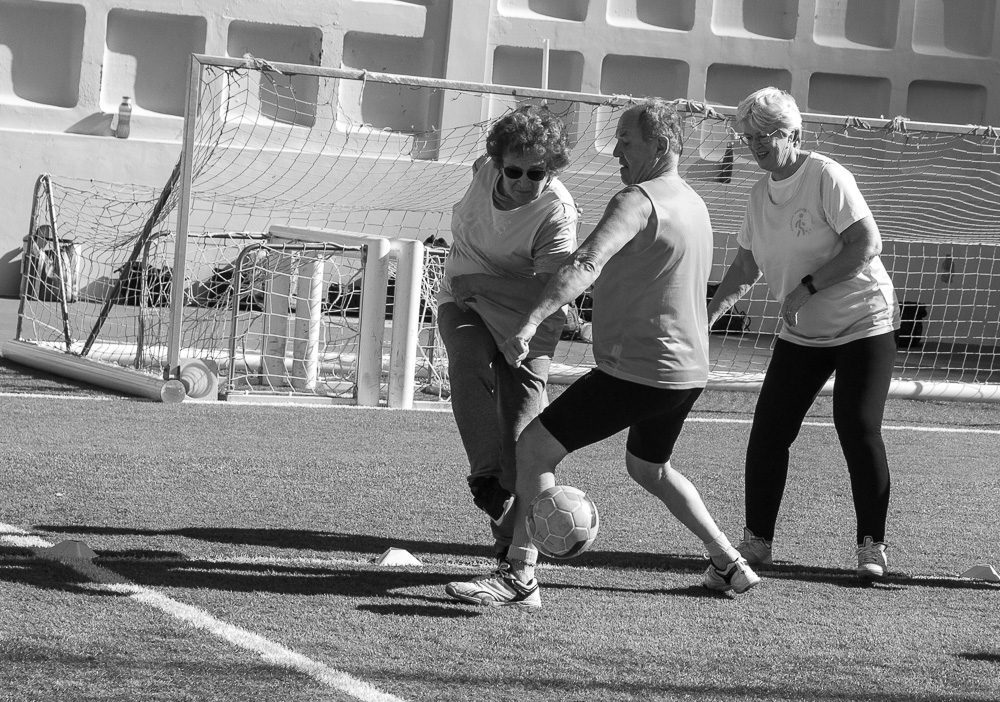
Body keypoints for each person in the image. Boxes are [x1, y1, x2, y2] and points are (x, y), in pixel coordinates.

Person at [444, 98, 759, 610]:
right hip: (688, 371)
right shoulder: (694, 202)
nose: (615, 150)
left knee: (533, 449)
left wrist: (527, 321)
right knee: (649, 468)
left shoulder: (635, 200)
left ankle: (519, 576)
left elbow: (586, 263)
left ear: (660, 146)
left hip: (639, 370)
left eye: (626, 141)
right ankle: (728, 562)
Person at [706, 87, 899, 579]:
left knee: (856, 427)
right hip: (803, 334)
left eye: (766, 135)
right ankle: (757, 543)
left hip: (863, 322)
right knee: (769, 431)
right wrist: (705, 315)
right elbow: (746, 264)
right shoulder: (757, 193)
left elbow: (866, 243)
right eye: (749, 137)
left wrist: (806, 288)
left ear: (794, 133)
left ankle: (872, 547)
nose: (757, 145)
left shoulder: (826, 176)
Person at [437, 105, 579, 564]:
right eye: (513, 169)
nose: (522, 181)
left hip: (529, 316)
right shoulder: (483, 170)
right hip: (464, 302)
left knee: (523, 435)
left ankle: (511, 549)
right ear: (496, 162)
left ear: (551, 169)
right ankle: (487, 482)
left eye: (536, 172)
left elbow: (549, 287)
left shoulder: (556, 212)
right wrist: (470, 285)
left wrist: (480, 282)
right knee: (467, 360)